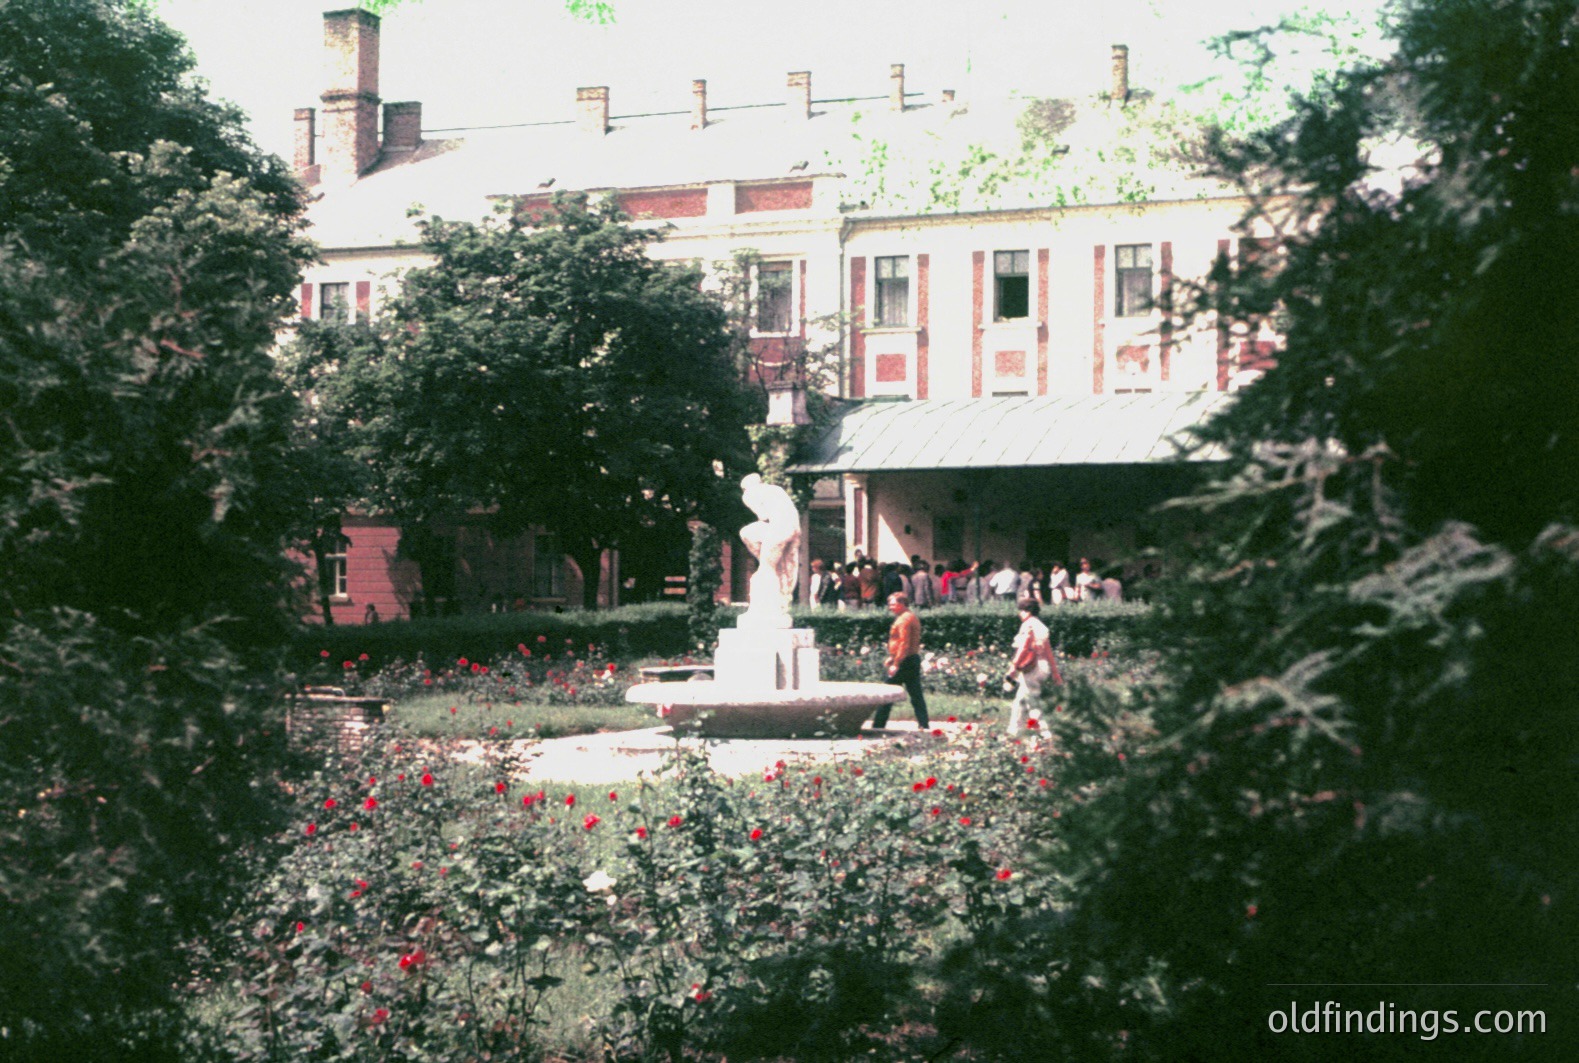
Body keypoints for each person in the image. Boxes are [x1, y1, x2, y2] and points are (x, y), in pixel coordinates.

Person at [870, 592, 930, 730]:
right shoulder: (910, 617)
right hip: (911, 659)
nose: (890, 607)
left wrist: (896, 663)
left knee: (887, 693)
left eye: (893, 604)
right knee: (916, 693)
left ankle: (878, 725)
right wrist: (892, 656)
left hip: (905, 661)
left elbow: (904, 643)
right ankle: (923, 723)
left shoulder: (904, 620)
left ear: (902, 604)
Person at [1005, 596, 1062, 734]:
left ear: (1028, 611)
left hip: (1032, 667)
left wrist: (1013, 667)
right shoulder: (1041, 626)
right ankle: (1013, 731)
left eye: (1021, 610)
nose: (1020, 614)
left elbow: (1024, 647)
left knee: (1032, 702)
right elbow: (1048, 650)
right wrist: (1055, 673)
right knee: (1020, 700)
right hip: (1043, 666)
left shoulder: (1028, 625)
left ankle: (1044, 732)